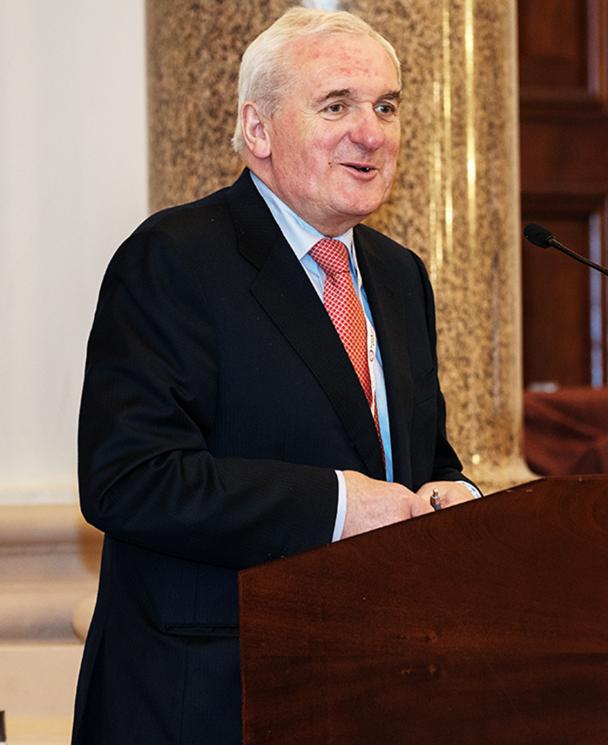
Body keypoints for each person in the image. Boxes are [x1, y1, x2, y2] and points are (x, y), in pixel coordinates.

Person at [72, 8, 478, 744]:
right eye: (337, 105)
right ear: (257, 131)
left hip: (368, 686)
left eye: (386, 106)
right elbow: (128, 478)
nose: (372, 131)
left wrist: (457, 496)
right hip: (209, 697)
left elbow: (419, 458)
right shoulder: (175, 258)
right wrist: (332, 504)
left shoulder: (398, 275)